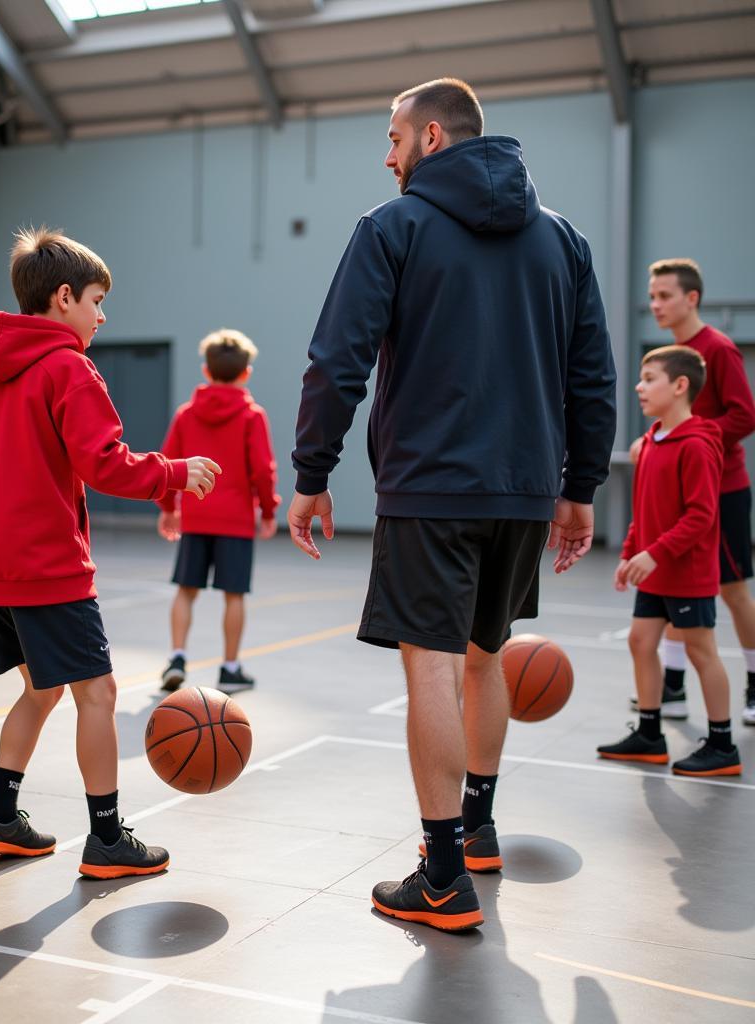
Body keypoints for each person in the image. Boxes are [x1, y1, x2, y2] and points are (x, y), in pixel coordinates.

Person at [288, 78, 616, 931]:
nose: (385, 153)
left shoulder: (391, 226)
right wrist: (579, 490)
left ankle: (439, 875)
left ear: (432, 136)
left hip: (430, 487)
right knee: (486, 654)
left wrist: (312, 470)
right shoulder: (564, 241)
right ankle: (477, 827)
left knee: (430, 666)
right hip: (523, 489)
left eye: (392, 135)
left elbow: (336, 360)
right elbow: (593, 377)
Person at [0, 227, 220, 875]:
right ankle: (108, 838)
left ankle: (0, 816)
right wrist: (173, 473)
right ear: (63, 298)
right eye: (95, 300)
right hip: (47, 568)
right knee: (99, 694)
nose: (101, 314)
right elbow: (104, 463)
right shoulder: (69, 368)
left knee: (41, 691)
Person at [600, 347, 741, 776]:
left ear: (680, 386)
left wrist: (654, 553)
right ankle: (649, 734)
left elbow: (701, 516)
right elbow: (644, 511)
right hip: (656, 572)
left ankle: (722, 745)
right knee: (640, 642)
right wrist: (630, 552)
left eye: (649, 378)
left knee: (701, 651)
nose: (639, 387)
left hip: (688, 574)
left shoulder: (697, 444)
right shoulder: (649, 444)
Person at [629, 259, 755, 727]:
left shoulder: (718, 349)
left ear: (692, 299)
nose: (655, 304)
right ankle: (674, 687)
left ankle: (754, 683)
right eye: (652, 296)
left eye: (663, 296)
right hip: (678, 486)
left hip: (721, 490)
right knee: (670, 583)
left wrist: (686, 439)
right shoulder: (674, 355)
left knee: (732, 589)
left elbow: (744, 416)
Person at [156, 329, 279, 693]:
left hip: (196, 516)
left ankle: (177, 657)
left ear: (206, 371)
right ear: (246, 373)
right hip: (236, 520)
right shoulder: (252, 416)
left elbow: (168, 460)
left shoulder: (186, 414)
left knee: (186, 590)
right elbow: (262, 468)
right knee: (234, 594)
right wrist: (269, 510)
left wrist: (168, 507)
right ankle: (229, 667)